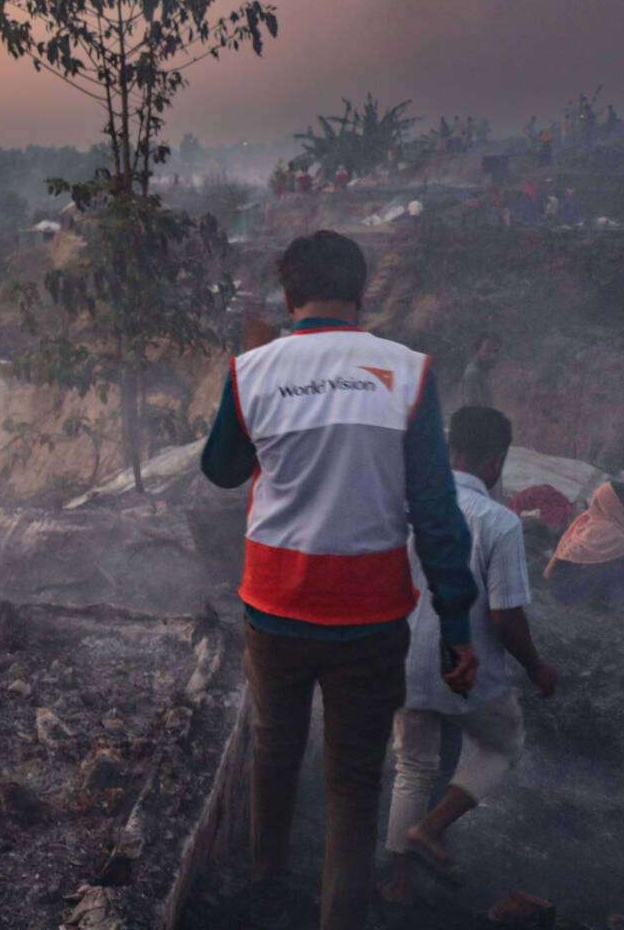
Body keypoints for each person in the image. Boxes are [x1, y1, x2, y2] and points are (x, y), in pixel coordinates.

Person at [200, 229, 478, 930]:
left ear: (289, 299)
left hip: (274, 605)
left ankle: (266, 885)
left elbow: (221, 471)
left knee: (274, 745)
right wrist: (455, 621)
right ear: (361, 298)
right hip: (371, 615)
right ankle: (338, 918)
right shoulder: (408, 373)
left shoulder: (254, 371)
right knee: (354, 783)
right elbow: (436, 511)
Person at [381, 407, 557, 904]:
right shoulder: (498, 522)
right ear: (497, 459)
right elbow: (505, 617)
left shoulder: (407, 503)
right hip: (466, 667)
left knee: (413, 767)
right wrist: (537, 666)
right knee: (503, 744)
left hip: (403, 657)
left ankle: (398, 883)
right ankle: (432, 828)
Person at [544, 479, 624, 604]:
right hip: (583, 596)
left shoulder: (587, 520)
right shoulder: (606, 530)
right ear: (615, 504)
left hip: (563, 589)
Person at [458, 332, 500, 410]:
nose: (492, 356)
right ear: (476, 351)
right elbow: (474, 412)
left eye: (495, 351)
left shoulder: (483, 373)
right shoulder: (473, 375)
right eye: (487, 351)